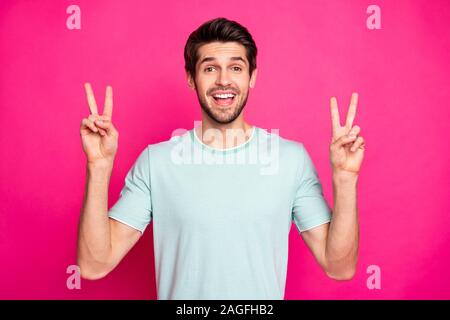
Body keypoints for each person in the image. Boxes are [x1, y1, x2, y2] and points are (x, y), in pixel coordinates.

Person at [77, 17, 365, 300]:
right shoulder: (157, 163)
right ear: (191, 78)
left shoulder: (291, 160)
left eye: (236, 67)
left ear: (252, 76)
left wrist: (345, 179)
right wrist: (98, 167)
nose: (223, 80)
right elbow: (94, 265)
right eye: (210, 68)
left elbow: (339, 267)